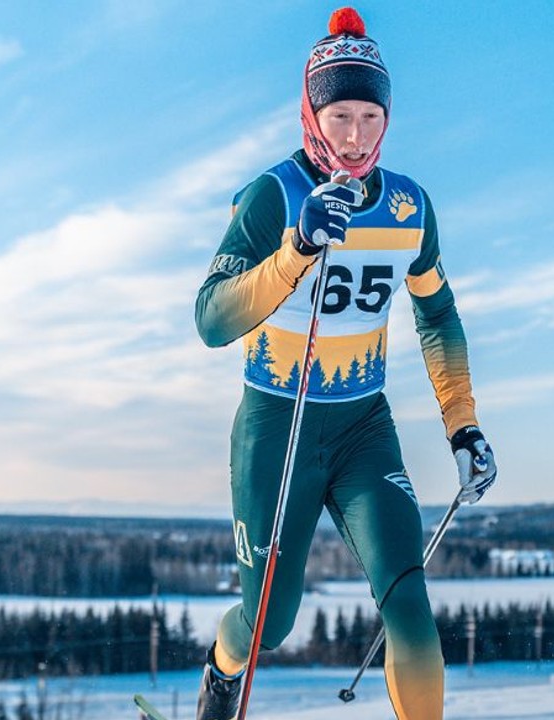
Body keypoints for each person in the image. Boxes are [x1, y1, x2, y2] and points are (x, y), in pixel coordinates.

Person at [193, 7, 496, 719]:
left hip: (364, 428)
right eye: (339, 116)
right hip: (278, 426)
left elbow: (438, 314)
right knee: (269, 622)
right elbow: (211, 318)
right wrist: (295, 249)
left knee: (411, 608)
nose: (355, 136)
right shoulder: (275, 195)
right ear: (310, 112)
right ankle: (220, 670)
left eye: (369, 116)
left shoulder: (409, 207)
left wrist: (463, 426)